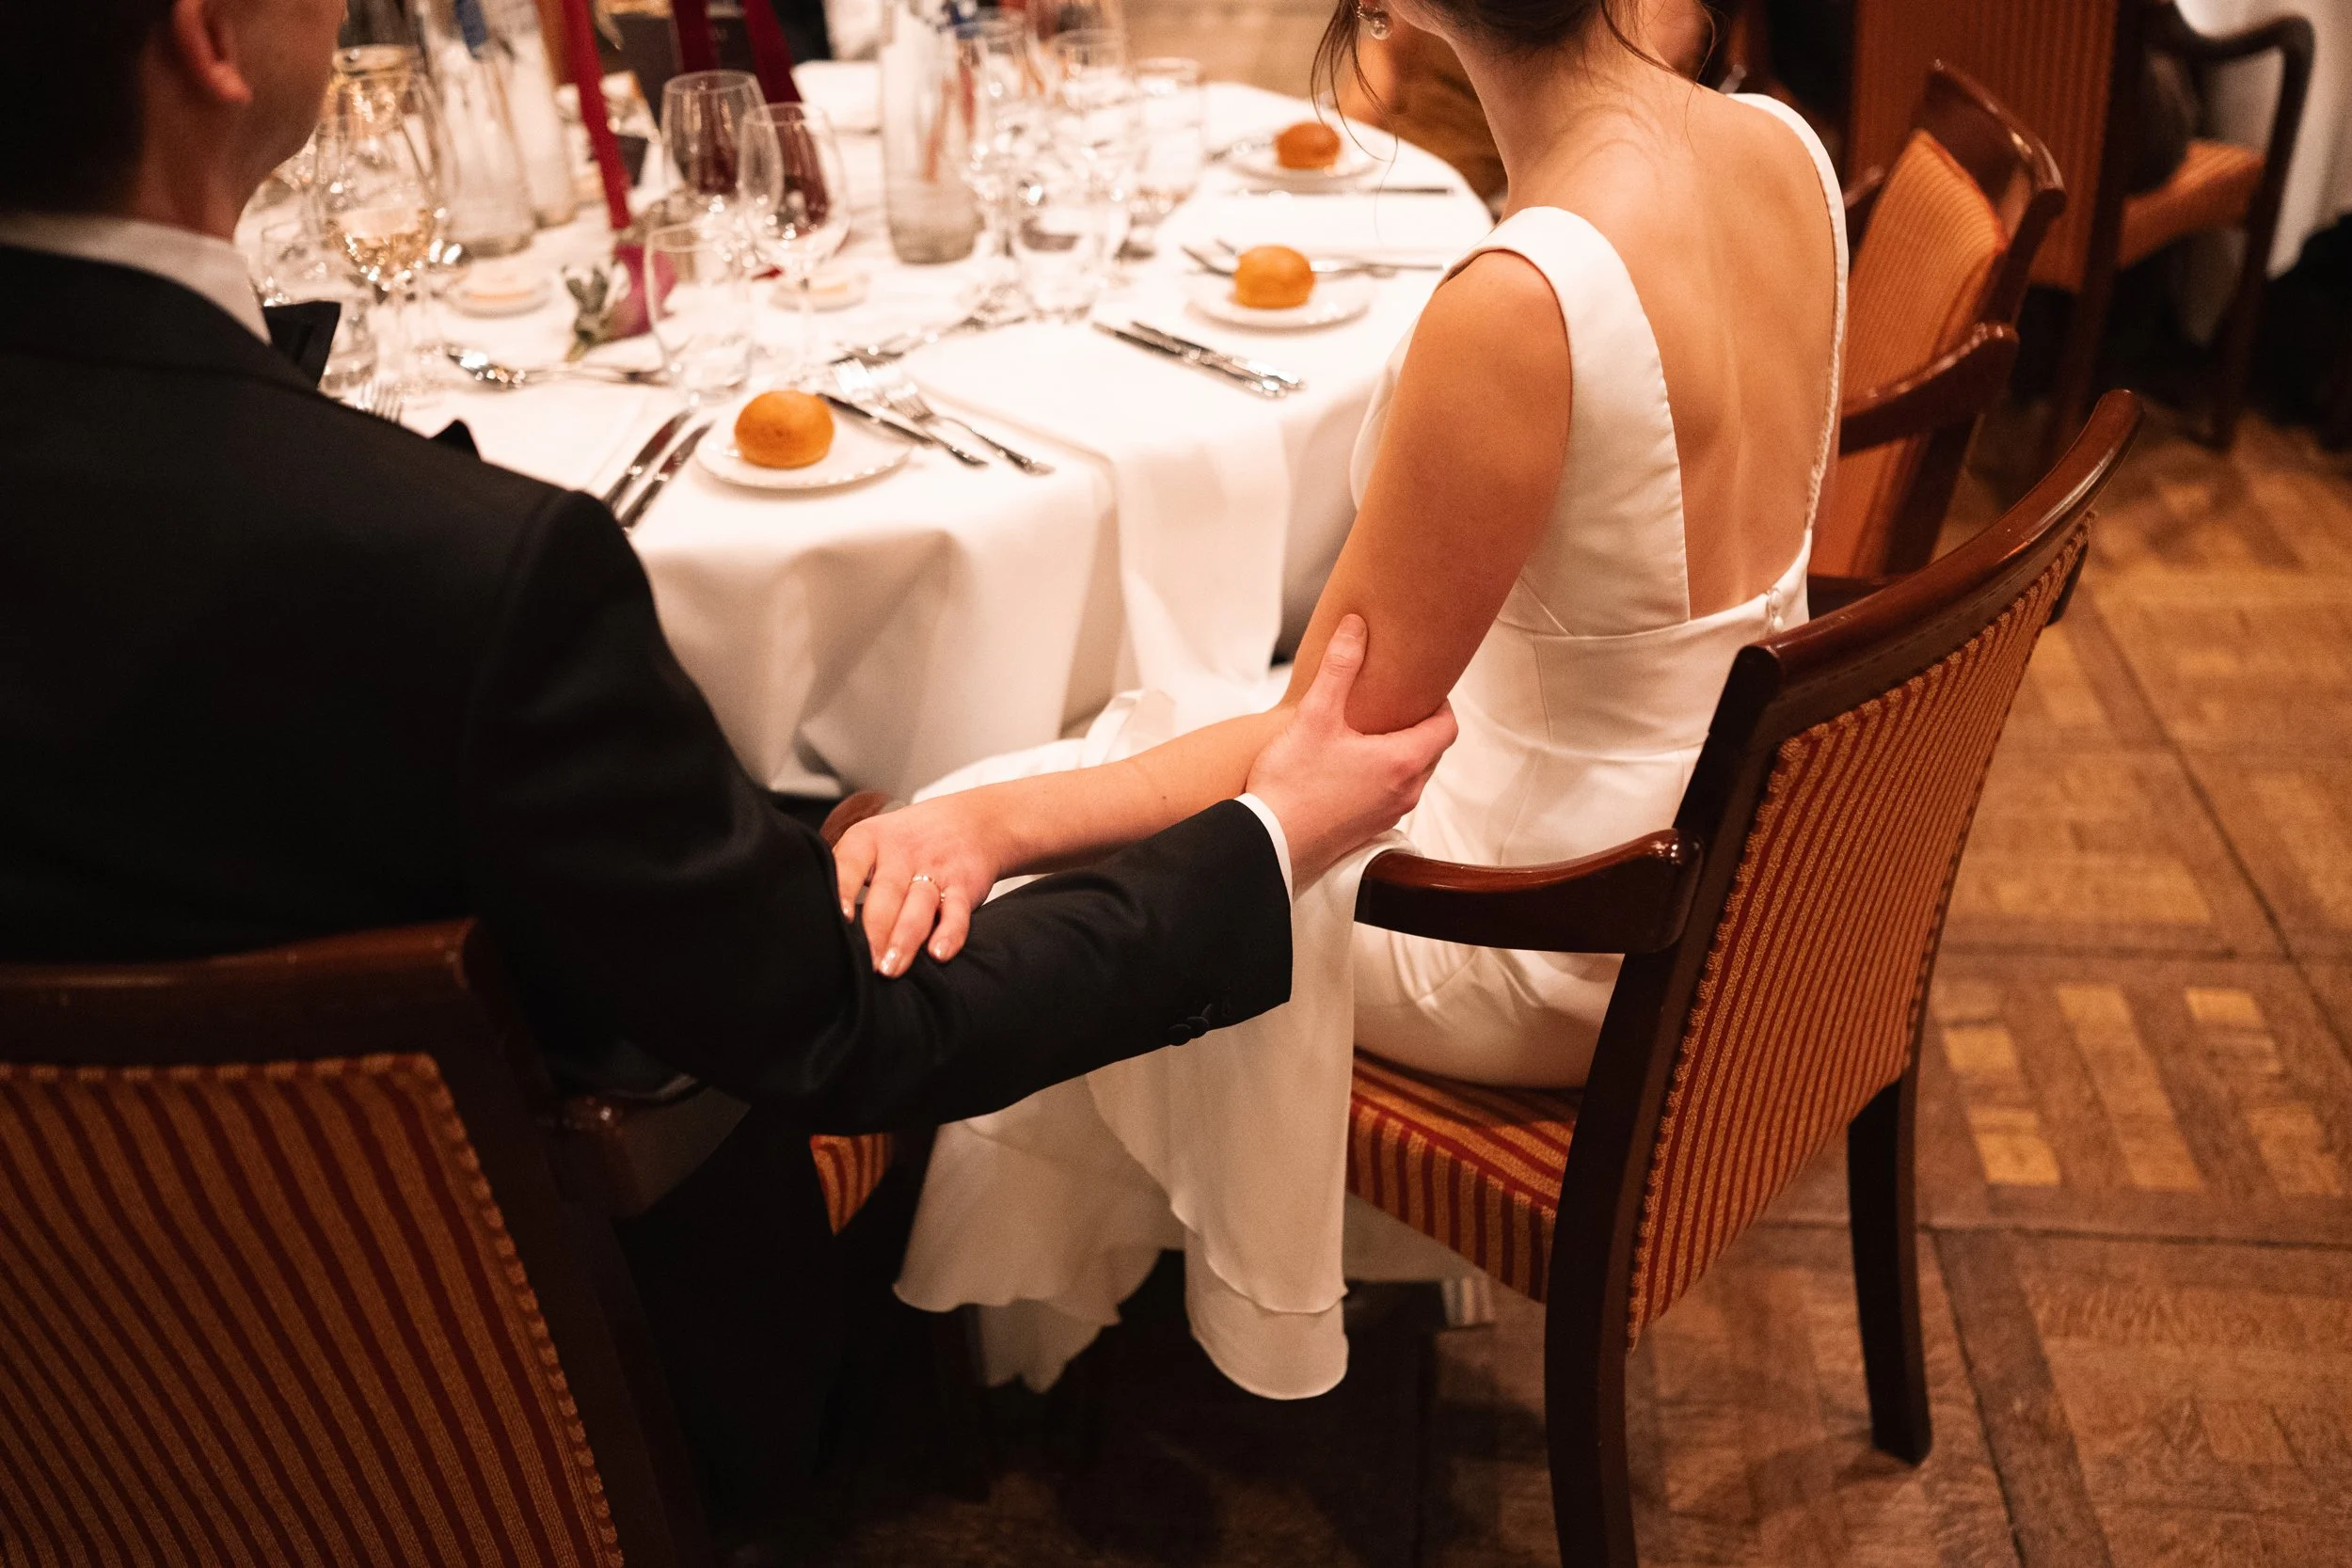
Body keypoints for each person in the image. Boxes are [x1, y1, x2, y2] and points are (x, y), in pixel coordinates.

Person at [0, 0, 1457, 1547]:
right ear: (206, 38)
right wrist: (1261, 836)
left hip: (67, 1432)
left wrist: (775, 838)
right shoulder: (461, 577)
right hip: (527, 1393)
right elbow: (853, 1031)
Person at [867, 0, 1847, 1398]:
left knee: (1005, 823)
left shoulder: (1522, 301)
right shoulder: (1787, 151)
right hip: (1743, 852)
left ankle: (1000, 1360)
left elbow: (1320, 752)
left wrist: (991, 822)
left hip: (1568, 928)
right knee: (1143, 732)